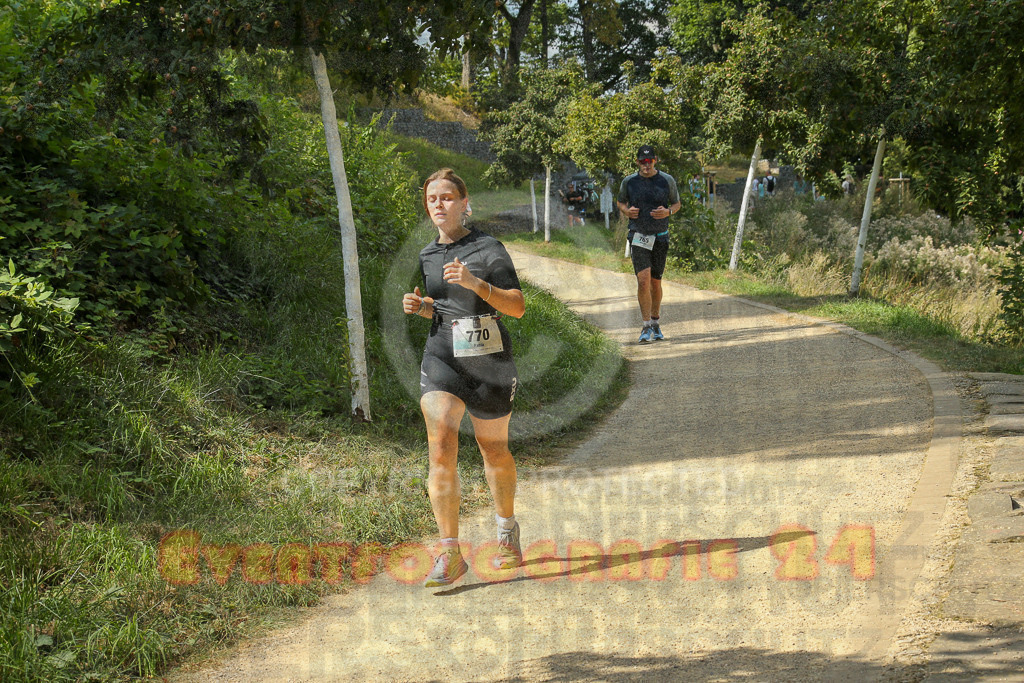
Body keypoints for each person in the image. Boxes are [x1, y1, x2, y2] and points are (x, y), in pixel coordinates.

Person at [402, 168, 526, 587]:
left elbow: (517, 307)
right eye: (432, 198)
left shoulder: (489, 248)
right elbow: (445, 307)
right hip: (442, 357)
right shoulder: (427, 255)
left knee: (494, 452)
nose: (439, 204)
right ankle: (449, 552)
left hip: (489, 361)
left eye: (447, 197)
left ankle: (507, 532)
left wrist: (477, 283)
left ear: (464, 202)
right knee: (440, 448)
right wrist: (421, 307)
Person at [616, 145, 682, 344]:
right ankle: (645, 326)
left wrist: (668, 212)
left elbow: (677, 204)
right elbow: (620, 202)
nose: (646, 165)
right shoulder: (629, 182)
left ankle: (655, 322)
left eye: (650, 161)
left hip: (661, 236)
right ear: (637, 162)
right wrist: (626, 212)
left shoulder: (666, 180)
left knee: (655, 282)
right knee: (643, 280)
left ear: (655, 160)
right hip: (638, 235)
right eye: (642, 162)